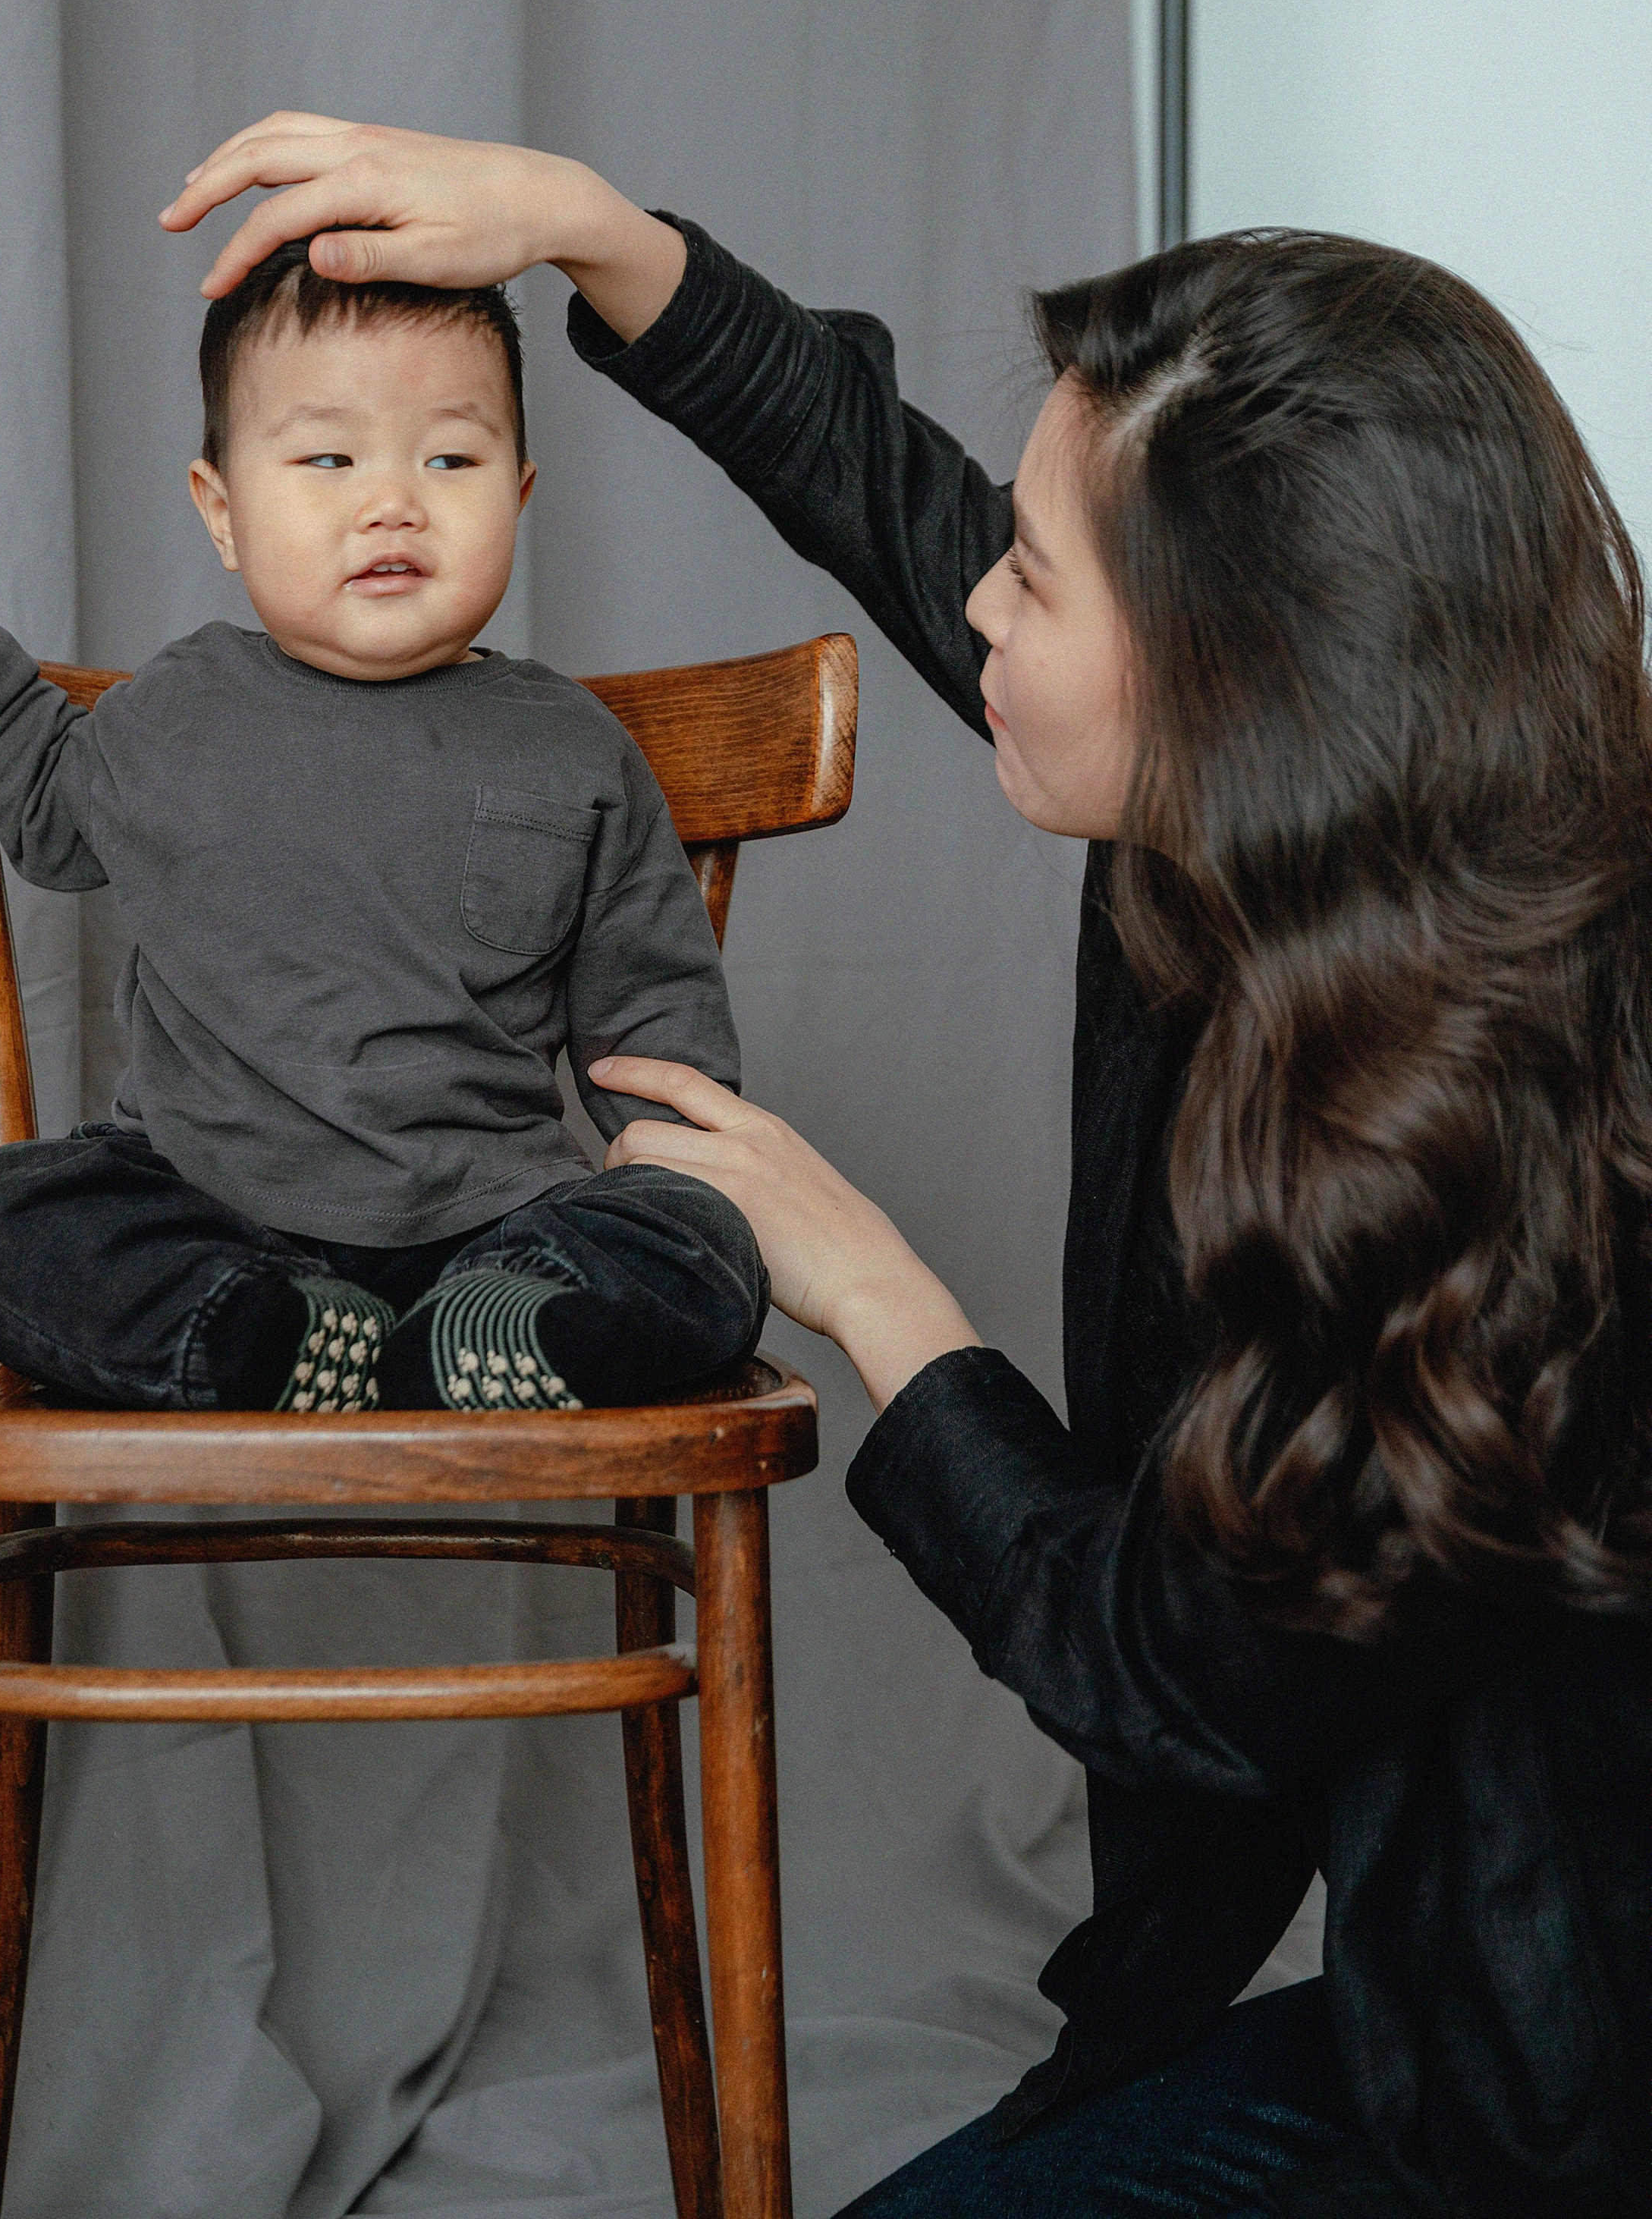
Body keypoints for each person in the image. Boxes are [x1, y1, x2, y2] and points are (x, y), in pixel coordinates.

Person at [161, 117, 1652, 2219]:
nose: (970, 607)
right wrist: (589, 232)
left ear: (1239, 682)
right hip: (1439, 2025)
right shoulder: (1294, 837)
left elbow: (1160, 1665)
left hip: (1556, 2111)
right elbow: (890, 489)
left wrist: (868, 1286)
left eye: (1028, 575)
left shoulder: (1523, 1152)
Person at [0, 243, 766, 1418]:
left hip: (491, 1222)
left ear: (516, 496)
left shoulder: (573, 747)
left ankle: (488, 1331)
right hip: (208, 1209)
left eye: (450, 458)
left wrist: (675, 1181)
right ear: (224, 513)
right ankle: (265, 1331)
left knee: (708, 1242)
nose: (392, 501)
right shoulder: (181, 707)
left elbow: (652, 1016)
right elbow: (46, 798)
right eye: (329, 458)